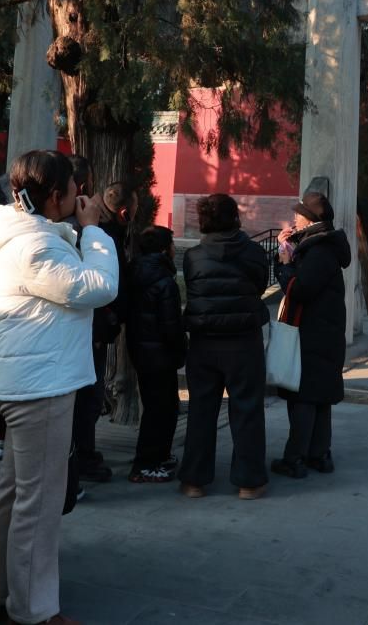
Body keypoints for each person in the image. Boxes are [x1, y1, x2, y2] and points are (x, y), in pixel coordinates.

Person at [0, 150, 119, 625]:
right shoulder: (35, 246)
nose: (81, 197)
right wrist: (93, 231)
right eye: (75, 189)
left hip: (26, 381)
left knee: (14, 493)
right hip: (43, 387)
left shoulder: (18, 235)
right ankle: (34, 610)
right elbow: (97, 286)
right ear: (55, 195)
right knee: (39, 502)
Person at [178, 193, 271, 500]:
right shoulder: (255, 253)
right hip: (244, 341)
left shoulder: (193, 256)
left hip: (204, 341)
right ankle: (249, 481)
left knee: (201, 410)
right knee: (247, 409)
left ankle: (194, 480)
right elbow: (260, 286)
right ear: (235, 217)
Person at [270, 191, 352, 478]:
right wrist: (289, 251)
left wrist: (285, 264)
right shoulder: (321, 245)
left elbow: (300, 289)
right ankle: (319, 455)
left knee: (304, 396)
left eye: (298, 214)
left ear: (309, 219)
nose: (294, 218)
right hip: (324, 331)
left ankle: (296, 459)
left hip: (313, 332)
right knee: (319, 395)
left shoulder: (320, 250)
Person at [66, 156, 116, 484]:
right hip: (84, 328)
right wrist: (94, 230)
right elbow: (103, 286)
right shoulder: (80, 230)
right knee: (85, 400)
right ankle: (79, 461)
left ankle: (79, 459)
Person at [127, 225, 185, 483]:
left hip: (141, 351)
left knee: (157, 407)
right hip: (161, 355)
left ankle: (158, 456)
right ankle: (146, 464)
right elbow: (171, 326)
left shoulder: (134, 273)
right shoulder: (164, 282)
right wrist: (180, 350)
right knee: (161, 409)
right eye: (171, 244)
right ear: (164, 250)